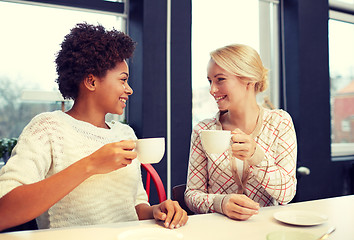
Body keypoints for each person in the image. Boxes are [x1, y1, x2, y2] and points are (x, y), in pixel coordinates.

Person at [0, 23, 187, 231]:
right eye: (123, 80)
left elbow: (134, 205)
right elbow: (4, 212)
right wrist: (90, 165)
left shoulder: (124, 133)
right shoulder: (48, 128)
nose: (130, 90)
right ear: (91, 81)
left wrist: (154, 211)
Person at [185, 44, 297, 221]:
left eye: (220, 79)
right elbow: (191, 194)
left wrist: (257, 157)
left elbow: (287, 193)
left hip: (265, 228)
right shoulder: (203, 130)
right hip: (218, 231)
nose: (212, 90)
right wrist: (220, 203)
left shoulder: (279, 123)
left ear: (249, 81)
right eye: (209, 81)